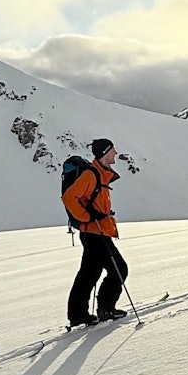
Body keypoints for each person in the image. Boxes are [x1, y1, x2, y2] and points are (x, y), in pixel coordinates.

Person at [62, 138, 129, 326]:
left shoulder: (99, 174)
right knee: (119, 269)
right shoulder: (91, 175)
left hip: (95, 232)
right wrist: (86, 217)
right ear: (104, 153)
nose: (116, 153)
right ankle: (106, 309)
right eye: (113, 150)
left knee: (89, 273)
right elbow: (69, 198)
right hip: (95, 233)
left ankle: (78, 314)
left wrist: (88, 217)